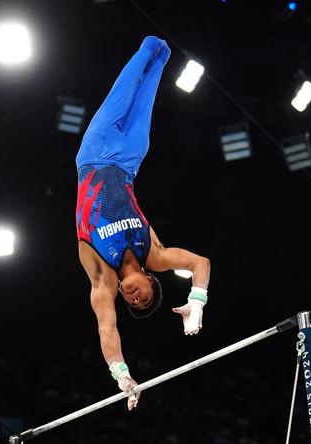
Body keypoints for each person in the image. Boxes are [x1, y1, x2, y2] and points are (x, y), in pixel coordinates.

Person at [75, 36, 211, 410]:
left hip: (94, 154)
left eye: (132, 300)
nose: (134, 297)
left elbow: (107, 328)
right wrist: (195, 302)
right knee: (155, 72)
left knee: (130, 78)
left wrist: (123, 375)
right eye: (144, 295)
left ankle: (149, 48)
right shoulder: (155, 253)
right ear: (151, 280)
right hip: (131, 160)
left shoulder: (103, 277)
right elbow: (201, 263)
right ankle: (161, 51)